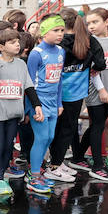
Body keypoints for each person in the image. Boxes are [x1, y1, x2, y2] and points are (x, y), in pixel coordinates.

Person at [47, 9, 106, 183]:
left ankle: (55, 163)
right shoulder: (89, 40)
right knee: (67, 129)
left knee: (56, 129)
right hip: (77, 92)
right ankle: (56, 163)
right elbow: (101, 64)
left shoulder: (57, 43)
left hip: (56, 92)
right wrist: (87, 67)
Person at [0, 28, 42, 198]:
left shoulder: (21, 64)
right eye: (12, 42)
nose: (18, 44)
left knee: (8, 146)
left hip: (14, 113)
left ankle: (2, 173)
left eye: (18, 41)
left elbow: (28, 86)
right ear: (1, 47)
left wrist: (36, 105)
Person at [72, 8, 108, 181]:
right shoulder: (89, 42)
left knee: (98, 125)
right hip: (98, 90)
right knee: (98, 125)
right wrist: (101, 89)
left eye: (95, 22)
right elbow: (93, 71)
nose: (91, 26)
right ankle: (97, 166)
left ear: (107, 22)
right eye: (89, 23)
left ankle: (77, 156)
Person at [26, 15, 66, 195]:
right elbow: (28, 83)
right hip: (39, 102)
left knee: (50, 138)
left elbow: (59, 80)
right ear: (44, 32)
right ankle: (33, 175)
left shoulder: (60, 51)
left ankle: (38, 171)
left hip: (53, 102)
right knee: (41, 138)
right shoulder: (36, 54)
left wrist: (59, 102)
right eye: (55, 30)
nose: (60, 34)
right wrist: (33, 106)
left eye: (62, 30)